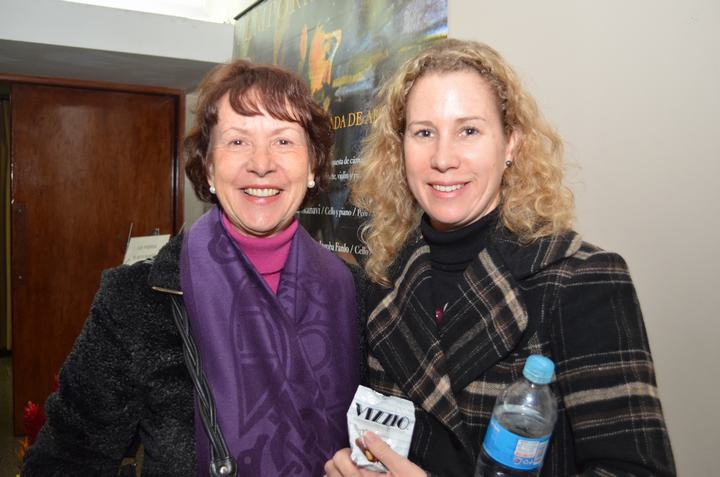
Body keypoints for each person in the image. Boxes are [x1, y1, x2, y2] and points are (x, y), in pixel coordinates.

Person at [324, 39, 675, 477]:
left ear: (511, 143)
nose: (443, 158)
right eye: (424, 133)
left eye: (469, 131)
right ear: (400, 149)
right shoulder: (384, 278)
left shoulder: (582, 280)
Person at [22, 60, 360, 476]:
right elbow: (66, 459)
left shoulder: (354, 293)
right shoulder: (136, 300)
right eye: (237, 141)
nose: (261, 163)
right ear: (209, 168)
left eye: (283, 141)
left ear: (312, 166)